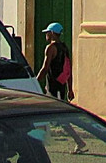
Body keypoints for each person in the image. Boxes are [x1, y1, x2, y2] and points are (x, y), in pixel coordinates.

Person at [36, 22, 86, 154]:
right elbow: (68, 70)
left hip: (53, 88)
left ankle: (79, 141)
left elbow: (45, 68)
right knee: (43, 115)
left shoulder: (50, 48)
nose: (46, 35)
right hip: (61, 87)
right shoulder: (64, 48)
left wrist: (34, 82)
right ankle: (38, 142)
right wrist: (70, 89)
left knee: (60, 118)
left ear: (52, 33)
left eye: (47, 32)